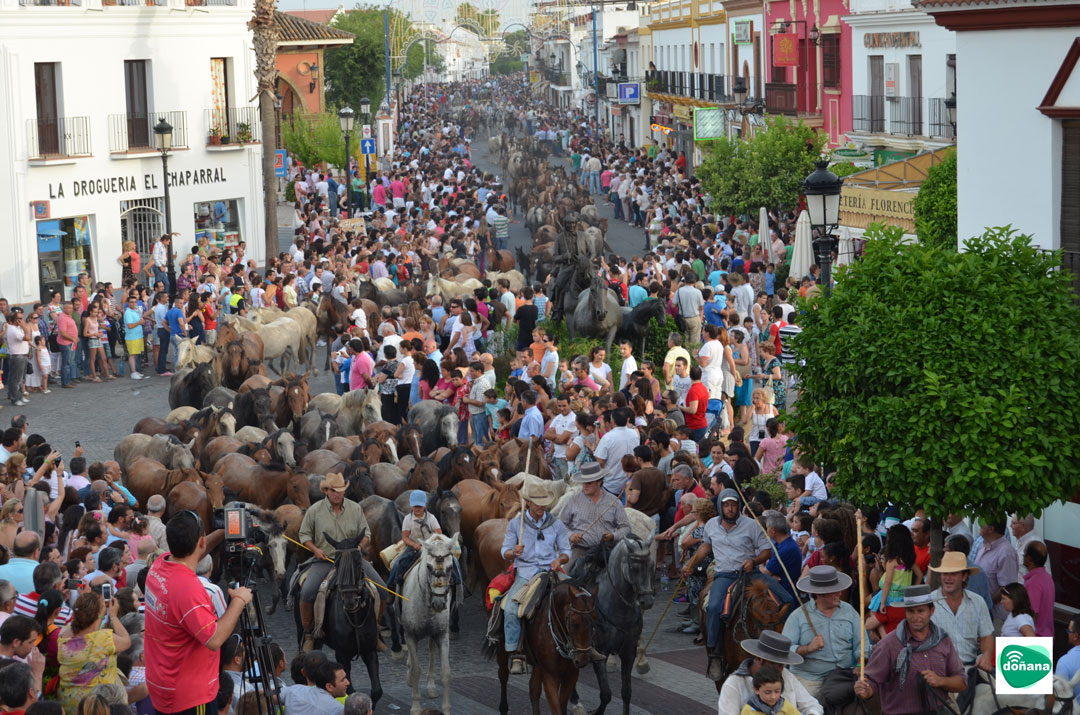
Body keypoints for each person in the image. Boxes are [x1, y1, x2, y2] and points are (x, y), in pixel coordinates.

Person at [143, 510, 253, 715]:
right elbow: (214, 639)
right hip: (189, 697)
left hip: (164, 682)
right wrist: (239, 600)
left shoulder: (159, 565)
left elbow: (191, 554)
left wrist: (223, 532)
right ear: (201, 542)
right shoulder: (188, 590)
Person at [683, 488, 773, 681]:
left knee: (785, 599)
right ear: (720, 506)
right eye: (726, 505)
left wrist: (754, 561)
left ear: (738, 506)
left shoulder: (751, 525)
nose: (730, 509)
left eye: (733, 505)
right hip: (725, 575)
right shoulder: (711, 525)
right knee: (714, 606)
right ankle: (714, 652)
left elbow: (767, 551)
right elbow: (706, 547)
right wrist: (691, 564)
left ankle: (783, 649)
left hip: (750, 574)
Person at [297, 472, 385, 653]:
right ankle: (309, 635)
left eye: (340, 491)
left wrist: (360, 547)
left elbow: (366, 534)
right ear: (326, 491)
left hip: (353, 560)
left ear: (344, 491)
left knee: (382, 589)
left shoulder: (355, 508)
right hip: (326, 560)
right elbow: (304, 535)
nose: (337, 494)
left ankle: (375, 631)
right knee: (307, 592)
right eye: (333, 491)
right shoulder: (315, 510)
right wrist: (316, 550)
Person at [853, 585, 966, 715]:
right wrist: (865, 690)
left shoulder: (943, 640)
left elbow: (961, 683)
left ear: (932, 611)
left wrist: (940, 681)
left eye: (920, 611)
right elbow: (870, 680)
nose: (915, 617)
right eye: (911, 611)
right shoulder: (888, 645)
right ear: (905, 612)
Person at [500, 481, 570, 675]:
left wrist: (559, 560)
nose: (541, 506)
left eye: (544, 502)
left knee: (581, 598)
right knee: (511, 610)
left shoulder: (556, 523)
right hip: (526, 573)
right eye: (537, 502)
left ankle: (582, 645)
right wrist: (513, 552)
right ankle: (515, 652)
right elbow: (504, 551)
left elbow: (566, 551)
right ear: (528, 502)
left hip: (551, 570)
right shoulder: (516, 524)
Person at [782, 566, 870, 706]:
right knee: (805, 708)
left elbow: (862, 643)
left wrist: (860, 664)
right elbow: (785, 651)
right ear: (820, 594)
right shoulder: (798, 616)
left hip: (844, 675)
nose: (840, 593)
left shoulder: (849, 611)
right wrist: (808, 648)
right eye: (834, 591)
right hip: (810, 678)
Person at [57, 591, 130, 713]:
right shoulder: (103, 639)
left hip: (69, 702)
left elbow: (86, 625)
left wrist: (91, 605)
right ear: (98, 615)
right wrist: (113, 616)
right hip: (96, 705)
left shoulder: (64, 633)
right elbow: (126, 641)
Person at [717, 630, 822, 715]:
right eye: (775, 664)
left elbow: (812, 705)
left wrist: (812, 713)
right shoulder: (734, 683)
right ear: (759, 659)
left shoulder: (786, 675)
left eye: (782, 665)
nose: (780, 670)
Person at [926, 551, 994, 672]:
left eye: (953, 574)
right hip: (938, 670)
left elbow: (986, 636)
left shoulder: (977, 602)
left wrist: (986, 656)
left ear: (964, 576)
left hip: (970, 668)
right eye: (945, 573)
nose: (948, 578)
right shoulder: (929, 602)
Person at [558, 463, 630, 563]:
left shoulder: (614, 502)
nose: (585, 486)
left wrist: (614, 535)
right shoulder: (572, 501)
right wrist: (571, 535)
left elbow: (626, 527)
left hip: (608, 550)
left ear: (599, 481)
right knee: (567, 571)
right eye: (583, 482)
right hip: (581, 549)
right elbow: (559, 524)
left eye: (589, 483)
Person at [973, 518, 1018, 621]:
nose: (979, 524)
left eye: (982, 523)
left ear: (991, 529)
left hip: (997, 616)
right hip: (980, 612)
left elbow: (1007, 587)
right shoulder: (982, 545)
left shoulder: (1006, 552)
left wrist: (987, 604)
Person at [1022, 541, 1055, 637]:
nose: (1023, 557)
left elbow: (1032, 615)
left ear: (1029, 559)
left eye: (1024, 554)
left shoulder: (1034, 582)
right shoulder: (1046, 577)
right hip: (1045, 636)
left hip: (1035, 638)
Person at [1056, 613, 1080, 701]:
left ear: (1076, 636)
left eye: (1069, 631)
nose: (1068, 633)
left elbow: (1059, 698)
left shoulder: (1065, 662)